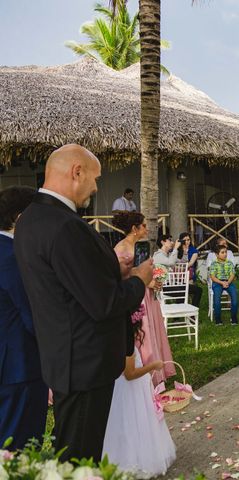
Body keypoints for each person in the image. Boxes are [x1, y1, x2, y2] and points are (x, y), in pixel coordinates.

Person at [14, 144, 152, 462]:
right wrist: (138, 280)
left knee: (72, 448)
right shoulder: (65, 226)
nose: (96, 186)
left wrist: (111, 271)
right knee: (79, 458)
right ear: (77, 172)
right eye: (95, 178)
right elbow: (103, 303)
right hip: (85, 363)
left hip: (64, 356)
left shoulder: (32, 219)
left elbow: (67, 282)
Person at [0, 186, 48, 451]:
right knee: (20, 443)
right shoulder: (11, 256)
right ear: (20, 219)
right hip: (19, 365)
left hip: (9, 362)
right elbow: (31, 312)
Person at [102, 308, 176, 478]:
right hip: (130, 390)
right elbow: (130, 374)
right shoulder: (126, 343)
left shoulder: (115, 338)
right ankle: (136, 460)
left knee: (128, 424)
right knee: (134, 423)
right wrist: (154, 366)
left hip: (126, 388)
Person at [113, 212, 176, 386]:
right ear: (134, 228)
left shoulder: (140, 246)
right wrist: (146, 282)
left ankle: (159, 370)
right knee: (144, 332)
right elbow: (119, 275)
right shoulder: (122, 248)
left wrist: (156, 278)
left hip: (148, 294)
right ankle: (146, 374)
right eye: (144, 226)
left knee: (154, 329)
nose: (147, 229)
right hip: (137, 295)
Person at [209, 243, 238, 326]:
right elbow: (212, 277)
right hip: (218, 282)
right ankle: (218, 320)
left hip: (229, 282)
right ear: (216, 254)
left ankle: (234, 318)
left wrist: (228, 282)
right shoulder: (214, 264)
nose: (225, 254)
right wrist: (222, 283)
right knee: (217, 301)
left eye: (225, 252)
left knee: (235, 300)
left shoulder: (229, 263)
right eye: (222, 252)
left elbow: (232, 274)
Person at [176, 232, 202, 308]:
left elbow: (190, 263)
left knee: (186, 287)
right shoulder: (177, 250)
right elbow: (173, 262)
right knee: (180, 289)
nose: (187, 241)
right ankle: (179, 311)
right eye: (185, 240)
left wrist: (178, 267)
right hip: (178, 275)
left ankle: (192, 309)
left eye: (188, 240)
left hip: (189, 275)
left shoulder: (193, 251)